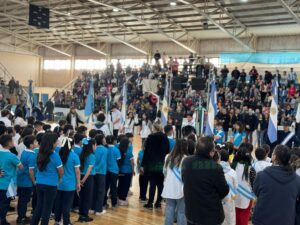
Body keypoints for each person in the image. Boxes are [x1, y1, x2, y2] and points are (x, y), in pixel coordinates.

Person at [182, 136, 229, 225]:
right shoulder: (215, 167)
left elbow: (184, 180)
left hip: (191, 212)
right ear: (211, 152)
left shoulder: (186, 161)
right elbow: (224, 191)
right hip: (210, 215)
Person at [253, 145, 300, 225]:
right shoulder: (297, 180)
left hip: (263, 220)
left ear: (274, 157)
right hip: (286, 220)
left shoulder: (262, 176)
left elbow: (257, 192)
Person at [31, 133, 64, 225]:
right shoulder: (55, 155)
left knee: (39, 206)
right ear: (52, 143)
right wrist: (59, 179)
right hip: (51, 185)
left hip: (39, 183)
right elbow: (61, 171)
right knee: (47, 209)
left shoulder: (39, 153)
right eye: (56, 141)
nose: (58, 143)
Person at [141, 122, 170, 209]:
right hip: (161, 163)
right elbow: (167, 151)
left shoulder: (151, 137)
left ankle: (150, 203)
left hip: (152, 163)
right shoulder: (165, 137)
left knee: (152, 184)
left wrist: (143, 164)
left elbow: (146, 152)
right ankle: (158, 203)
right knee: (160, 184)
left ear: (154, 128)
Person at [54, 137, 81, 225]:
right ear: (72, 145)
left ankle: (57, 221)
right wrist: (78, 184)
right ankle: (66, 222)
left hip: (58, 184)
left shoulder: (58, 154)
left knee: (58, 203)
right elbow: (77, 172)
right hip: (70, 185)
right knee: (67, 205)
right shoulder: (74, 156)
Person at [162, 139, 188, 225]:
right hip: (181, 188)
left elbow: (164, 172)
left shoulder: (167, 157)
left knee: (169, 210)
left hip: (169, 186)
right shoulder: (186, 159)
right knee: (181, 211)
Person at [0, 135, 23, 225]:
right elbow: (21, 167)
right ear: (9, 143)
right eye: (12, 141)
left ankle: (3, 219)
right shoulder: (11, 156)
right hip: (8, 184)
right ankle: (2, 220)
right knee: (5, 204)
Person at [232, 143, 255, 225]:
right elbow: (253, 185)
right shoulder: (250, 169)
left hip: (233, 197)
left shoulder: (232, 166)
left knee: (234, 217)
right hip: (246, 198)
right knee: (243, 219)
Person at [16, 135, 37, 225]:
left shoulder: (24, 151)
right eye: (35, 142)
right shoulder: (32, 155)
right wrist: (34, 181)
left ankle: (21, 216)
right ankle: (21, 218)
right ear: (31, 145)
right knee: (24, 200)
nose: (37, 143)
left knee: (21, 200)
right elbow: (31, 170)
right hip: (27, 181)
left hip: (20, 179)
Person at [78, 138, 96, 222]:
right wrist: (83, 181)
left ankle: (81, 214)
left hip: (81, 176)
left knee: (82, 197)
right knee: (87, 197)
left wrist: (80, 180)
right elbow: (89, 170)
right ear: (92, 146)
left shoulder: (82, 153)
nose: (95, 146)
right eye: (95, 145)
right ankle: (84, 216)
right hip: (87, 178)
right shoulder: (91, 156)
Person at [219, 150, 238, 225]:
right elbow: (236, 187)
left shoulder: (215, 170)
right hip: (230, 198)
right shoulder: (232, 172)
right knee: (230, 218)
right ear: (228, 158)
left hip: (218, 199)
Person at [92, 134, 108, 215]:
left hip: (93, 172)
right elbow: (102, 162)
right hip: (101, 172)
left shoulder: (94, 148)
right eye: (104, 138)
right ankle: (98, 210)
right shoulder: (105, 150)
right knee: (101, 191)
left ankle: (92, 208)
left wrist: (94, 169)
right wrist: (97, 169)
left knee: (94, 190)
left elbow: (93, 161)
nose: (105, 140)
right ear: (101, 140)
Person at [117, 136, 135, 206]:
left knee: (120, 184)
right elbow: (132, 163)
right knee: (126, 185)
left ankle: (119, 198)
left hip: (120, 171)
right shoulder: (129, 152)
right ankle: (123, 199)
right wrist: (133, 171)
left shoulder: (119, 150)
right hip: (128, 172)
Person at [104, 135, 121, 208]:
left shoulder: (105, 149)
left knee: (105, 187)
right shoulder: (116, 149)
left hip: (106, 171)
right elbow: (119, 161)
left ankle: (104, 203)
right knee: (113, 187)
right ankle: (114, 204)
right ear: (114, 141)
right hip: (114, 171)